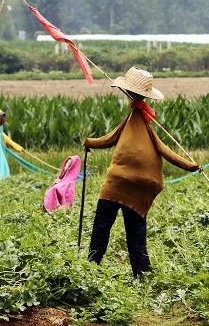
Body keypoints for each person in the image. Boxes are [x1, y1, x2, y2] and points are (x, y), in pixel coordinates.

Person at [84, 67, 200, 277]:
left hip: (116, 184)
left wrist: (87, 142)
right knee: (136, 232)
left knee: (101, 226)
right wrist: (191, 165)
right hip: (142, 187)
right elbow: (166, 151)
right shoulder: (146, 123)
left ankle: (91, 267)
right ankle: (142, 273)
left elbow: (108, 139)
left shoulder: (132, 120)